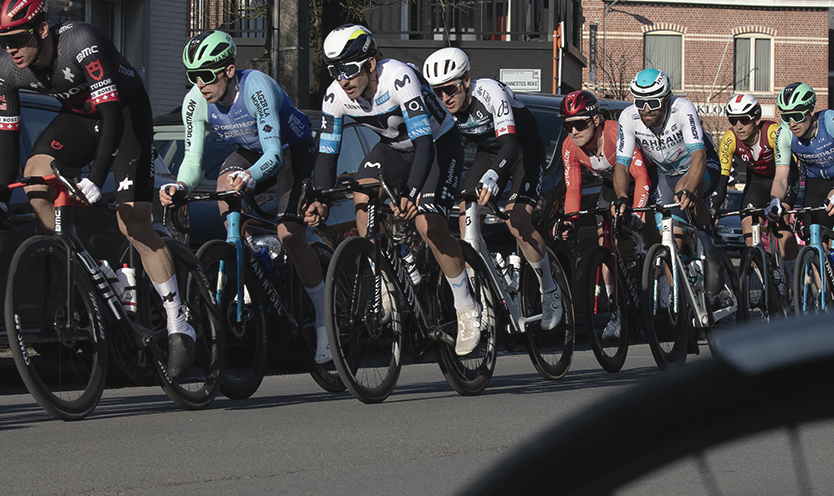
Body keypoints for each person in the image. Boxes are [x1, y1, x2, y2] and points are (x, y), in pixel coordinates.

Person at [0, 0, 195, 377]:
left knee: (133, 219)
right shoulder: (5, 72)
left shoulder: (81, 42)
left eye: (16, 38)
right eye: (1, 40)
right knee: (35, 178)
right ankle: (90, 268)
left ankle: (178, 321)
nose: (9, 49)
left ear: (42, 29)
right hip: (81, 118)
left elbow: (112, 115)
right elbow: (7, 139)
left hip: (125, 113)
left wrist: (96, 179)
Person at [159, 31, 332, 364]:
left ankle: (325, 322)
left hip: (290, 150)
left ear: (227, 70)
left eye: (206, 75)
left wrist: (250, 176)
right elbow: (193, 162)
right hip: (252, 150)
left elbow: (274, 154)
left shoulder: (256, 87)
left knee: (291, 237)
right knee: (225, 185)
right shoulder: (195, 102)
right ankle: (247, 253)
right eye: (192, 77)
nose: (200, 84)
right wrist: (181, 186)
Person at [317, 25, 482, 355]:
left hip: (437, 145)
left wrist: (411, 192)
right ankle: (389, 281)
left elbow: (423, 143)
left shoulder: (398, 78)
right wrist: (319, 199)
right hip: (394, 148)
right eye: (335, 71)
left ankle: (467, 308)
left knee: (428, 223)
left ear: (371, 64)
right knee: (362, 197)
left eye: (349, 69)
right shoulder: (335, 96)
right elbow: (326, 154)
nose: (343, 79)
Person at [421, 46, 562, 329]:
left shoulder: (490, 92)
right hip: (488, 153)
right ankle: (481, 298)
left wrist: (494, 176)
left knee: (517, 220)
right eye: (437, 92)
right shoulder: (438, 108)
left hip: (522, 148)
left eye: (450, 89)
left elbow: (509, 144)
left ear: (466, 82)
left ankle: (550, 289)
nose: (444, 98)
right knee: (465, 218)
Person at [769, 82, 834, 289]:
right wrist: (774, 201)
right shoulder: (784, 133)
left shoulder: (832, 120)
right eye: (785, 116)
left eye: (797, 116)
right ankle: (825, 295)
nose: (791, 123)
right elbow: (781, 178)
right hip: (816, 181)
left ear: (811, 111)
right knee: (813, 237)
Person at [612, 69, 718, 240]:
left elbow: (699, 156)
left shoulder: (682, 108)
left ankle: (707, 238)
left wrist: (690, 188)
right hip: (667, 173)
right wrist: (622, 197)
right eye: (640, 103)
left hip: (700, 165)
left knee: (684, 191)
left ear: (667, 99)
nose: (646, 110)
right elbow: (622, 166)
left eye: (653, 103)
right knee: (669, 236)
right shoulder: (628, 117)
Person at [713, 92, 797, 285]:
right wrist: (715, 207)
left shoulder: (773, 132)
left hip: (784, 176)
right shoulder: (730, 138)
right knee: (748, 223)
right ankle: (764, 273)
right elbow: (722, 178)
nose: (738, 126)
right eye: (733, 120)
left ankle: (793, 276)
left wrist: (784, 203)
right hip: (757, 182)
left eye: (744, 120)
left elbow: (790, 169)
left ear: (757, 119)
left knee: (782, 222)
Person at [556, 89, 652, 237]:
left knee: (648, 228)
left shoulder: (614, 133)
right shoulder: (569, 146)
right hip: (613, 183)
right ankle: (609, 256)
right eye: (568, 126)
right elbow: (574, 190)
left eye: (580, 124)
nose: (574, 131)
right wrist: (571, 221)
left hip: (645, 177)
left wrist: (638, 211)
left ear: (595, 120)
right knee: (603, 229)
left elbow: (641, 176)